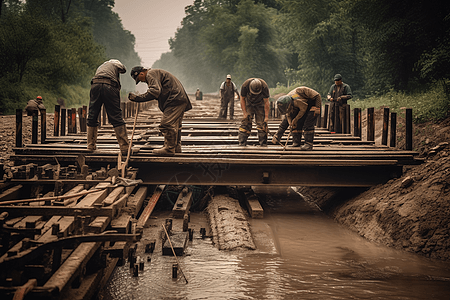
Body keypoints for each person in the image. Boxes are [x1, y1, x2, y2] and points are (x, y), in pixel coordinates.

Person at [128, 67, 192, 156]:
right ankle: (176, 147)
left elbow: (154, 91)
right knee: (176, 125)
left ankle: (169, 149)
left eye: (140, 79)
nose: (142, 82)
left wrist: (138, 98)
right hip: (178, 98)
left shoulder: (150, 74)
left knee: (166, 124)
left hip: (174, 99)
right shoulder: (156, 73)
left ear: (141, 73)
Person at [87, 59, 129, 156]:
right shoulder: (115, 63)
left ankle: (90, 145)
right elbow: (123, 69)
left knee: (92, 114)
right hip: (109, 86)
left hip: (95, 85)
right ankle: (124, 147)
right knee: (116, 116)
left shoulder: (101, 67)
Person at [238, 78, 270, 146]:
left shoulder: (264, 86)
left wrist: (266, 117)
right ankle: (242, 142)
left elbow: (266, 102)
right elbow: (242, 99)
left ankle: (263, 143)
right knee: (246, 122)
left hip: (260, 104)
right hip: (249, 103)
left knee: (262, 124)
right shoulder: (245, 85)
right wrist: (245, 113)